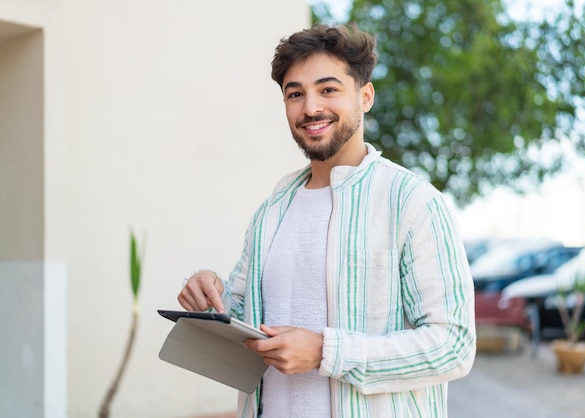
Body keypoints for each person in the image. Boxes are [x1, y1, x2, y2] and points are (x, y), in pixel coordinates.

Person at [178, 23, 475, 418]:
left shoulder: (412, 203)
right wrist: (210, 297)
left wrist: (326, 351)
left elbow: (452, 346)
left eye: (328, 89)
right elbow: (244, 319)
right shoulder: (271, 211)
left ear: (365, 96)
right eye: (295, 94)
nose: (311, 107)